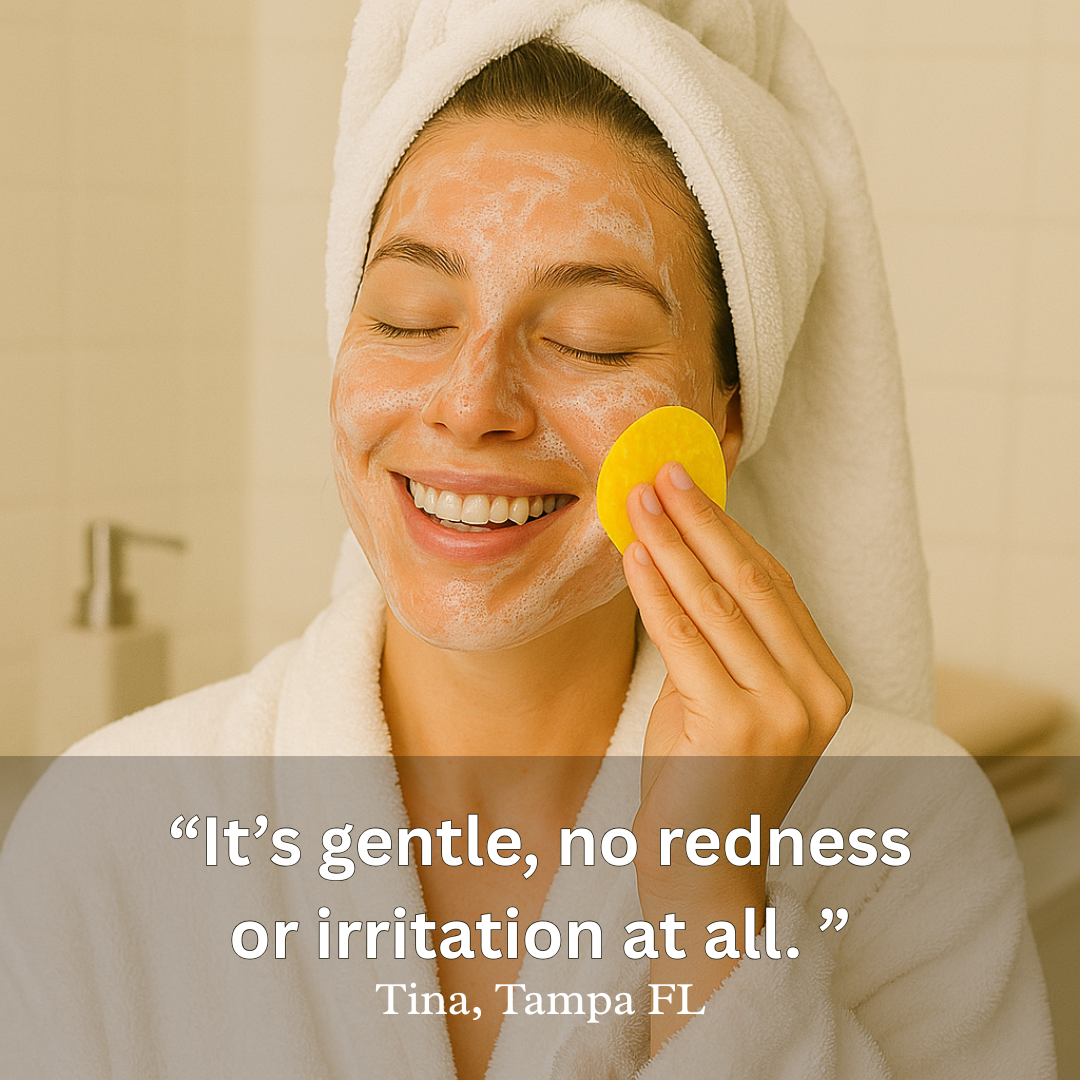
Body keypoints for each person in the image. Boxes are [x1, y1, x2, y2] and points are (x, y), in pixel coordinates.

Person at [0, 3, 1057, 1078]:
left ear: (726, 419)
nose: (472, 405)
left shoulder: (902, 831)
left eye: (591, 341)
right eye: (410, 317)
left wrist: (709, 900)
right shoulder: (110, 830)